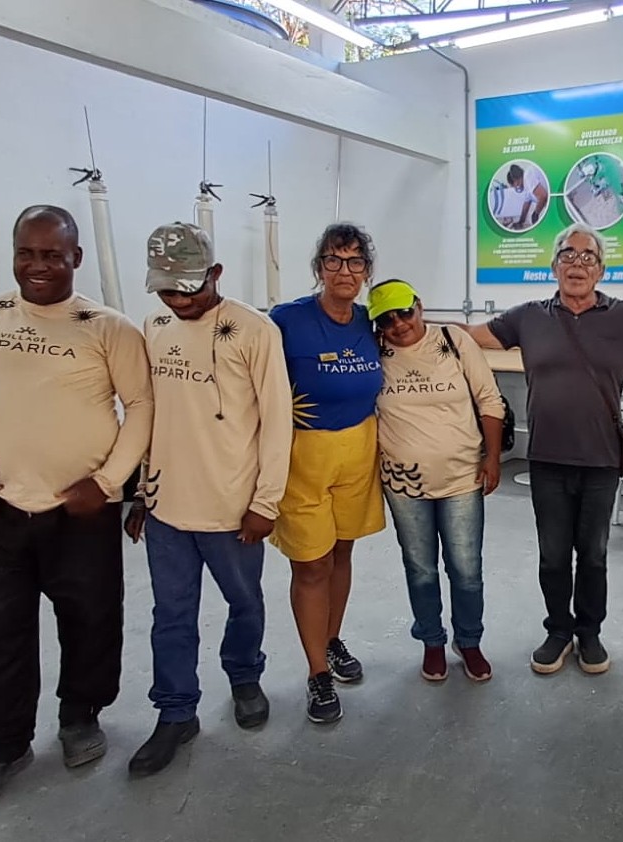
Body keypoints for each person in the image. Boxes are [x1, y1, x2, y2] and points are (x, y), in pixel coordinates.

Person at [0, 206, 152, 813]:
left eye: (53, 254)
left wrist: (108, 482)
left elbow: (142, 405)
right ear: (13, 254)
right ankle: (0, 747)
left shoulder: (108, 327)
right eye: (28, 252)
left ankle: (80, 717)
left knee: (92, 621)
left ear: (76, 258)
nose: (38, 265)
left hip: (80, 513)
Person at [459, 223, 623, 675]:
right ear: (553, 266)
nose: (577, 264)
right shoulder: (528, 316)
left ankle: (589, 633)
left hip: (602, 459)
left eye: (587, 256)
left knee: (592, 554)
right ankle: (557, 631)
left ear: (601, 268)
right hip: (548, 459)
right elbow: (469, 336)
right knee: (553, 555)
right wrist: (410, 326)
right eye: (568, 255)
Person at [122, 223, 292, 776]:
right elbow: (149, 417)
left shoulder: (254, 331)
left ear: (215, 274)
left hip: (232, 506)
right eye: (167, 290)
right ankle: (175, 711)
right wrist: (140, 493)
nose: (178, 300)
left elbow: (277, 423)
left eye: (189, 289)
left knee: (244, 604)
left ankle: (244, 677)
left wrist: (266, 501)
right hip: (167, 506)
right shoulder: (154, 327)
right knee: (170, 615)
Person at [269, 223, 386, 724]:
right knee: (310, 564)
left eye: (355, 261)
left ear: (366, 273)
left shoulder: (369, 322)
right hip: (304, 457)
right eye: (335, 261)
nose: (345, 270)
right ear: (319, 268)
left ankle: (332, 640)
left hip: (359, 450)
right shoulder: (286, 321)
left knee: (341, 552)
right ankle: (317, 672)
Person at [370, 279, 505, 683]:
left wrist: (493, 457)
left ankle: (468, 640)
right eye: (386, 319)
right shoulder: (375, 352)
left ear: (420, 306)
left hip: (462, 477)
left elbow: (489, 399)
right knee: (421, 568)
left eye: (404, 312)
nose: (398, 324)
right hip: (403, 483)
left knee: (465, 569)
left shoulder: (453, 340)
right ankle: (431, 640)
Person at [507, 164, 550, 230]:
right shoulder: (526, 185)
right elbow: (526, 205)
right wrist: (521, 221)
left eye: (514, 186)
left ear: (516, 182)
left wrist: (535, 214)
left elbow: (542, 196)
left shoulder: (528, 176)